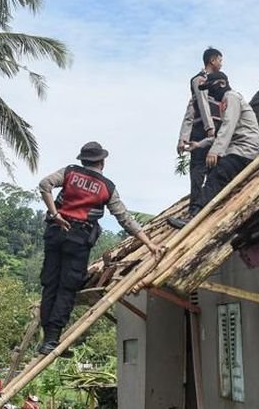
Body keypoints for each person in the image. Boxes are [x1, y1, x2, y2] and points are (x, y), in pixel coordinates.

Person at [37, 141, 164, 355]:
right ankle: (52, 339)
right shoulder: (107, 187)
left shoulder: (69, 172)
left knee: (50, 284)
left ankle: (46, 338)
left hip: (55, 233)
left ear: (83, 160)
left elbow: (44, 184)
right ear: (102, 162)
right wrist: (149, 243)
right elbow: (124, 219)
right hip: (78, 239)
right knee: (67, 287)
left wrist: (55, 214)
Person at [167, 72, 259, 229]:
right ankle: (204, 209)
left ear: (222, 84)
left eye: (210, 88)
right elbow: (219, 134)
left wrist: (215, 151)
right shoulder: (225, 103)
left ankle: (195, 215)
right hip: (235, 148)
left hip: (244, 149)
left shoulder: (232, 97)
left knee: (218, 173)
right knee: (213, 171)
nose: (210, 93)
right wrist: (199, 145)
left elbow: (228, 126)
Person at [177, 47, 224, 222]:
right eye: (220, 60)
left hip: (217, 129)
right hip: (203, 130)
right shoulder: (200, 79)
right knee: (198, 170)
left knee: (215, 167)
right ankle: (194, 210)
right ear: (212, 60)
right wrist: (208, 128)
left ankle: (208, 206)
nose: (221, 63)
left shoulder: (218, 81)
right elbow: (198, 106)